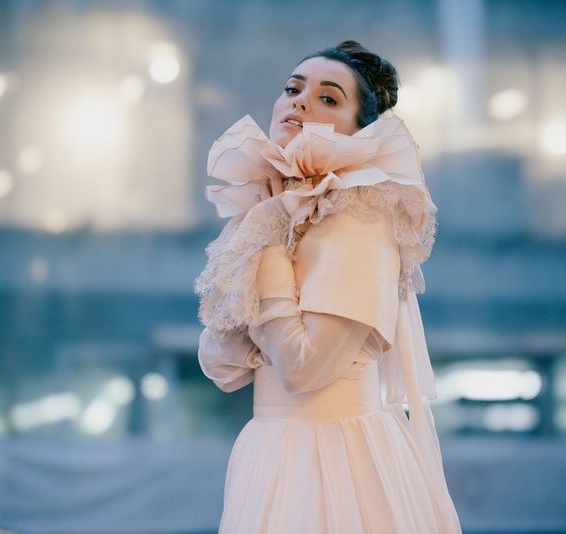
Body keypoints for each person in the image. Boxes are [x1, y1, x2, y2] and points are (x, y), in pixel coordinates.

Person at [194, 40, 462, 533]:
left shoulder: (362, 214)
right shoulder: (269, 210)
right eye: (293, 88)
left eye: (328, 98)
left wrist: (269, 245)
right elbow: (222, 366)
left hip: (338, 459)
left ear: (360, 134)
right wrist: (262, 228)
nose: (299, 101)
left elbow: (302, 367)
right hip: (270, 449)